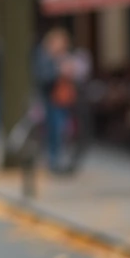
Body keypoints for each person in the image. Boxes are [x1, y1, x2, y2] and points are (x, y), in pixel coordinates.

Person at [35, 27, 76, 173]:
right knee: (54, 130)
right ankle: (54, 161)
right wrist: (59, 71)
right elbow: (42, 78)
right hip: (51, 99)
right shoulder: (45, 57)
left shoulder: (64, 56)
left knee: (63, 130)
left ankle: (59, 159)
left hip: (64, 99)